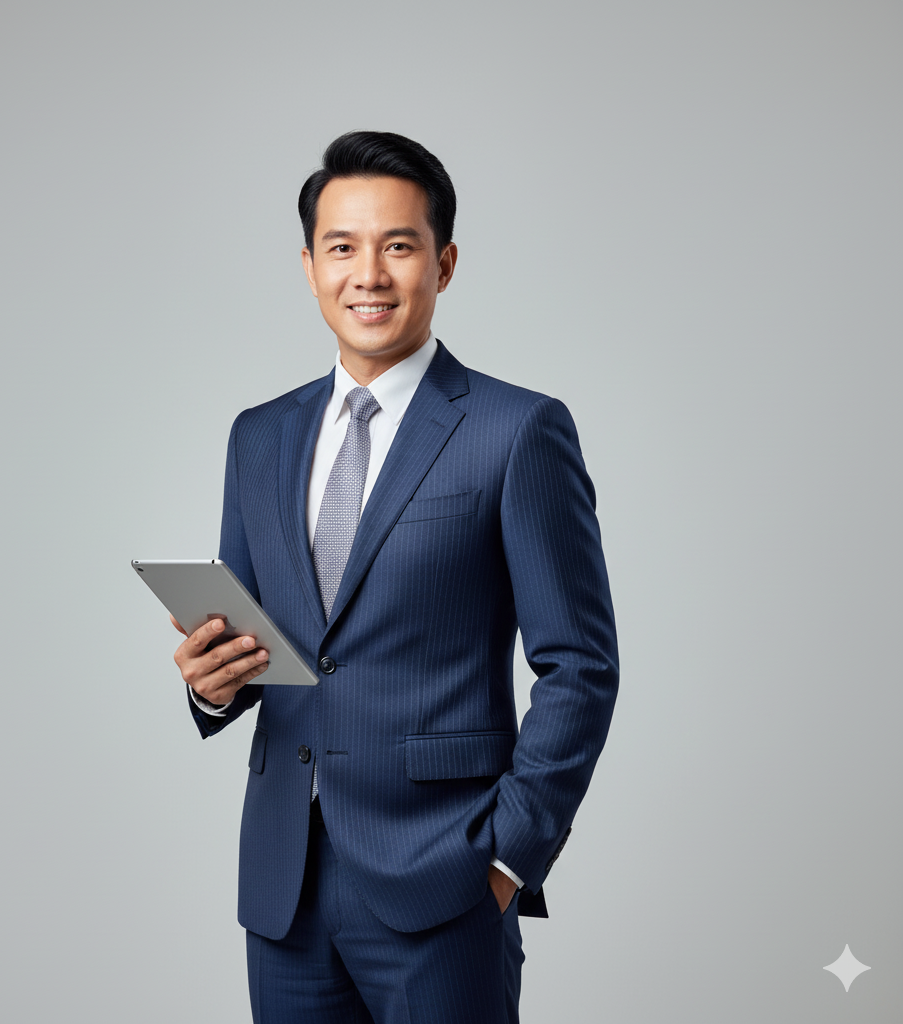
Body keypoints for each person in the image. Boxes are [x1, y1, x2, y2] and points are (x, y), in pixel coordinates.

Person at [171, 131, 619, 1024]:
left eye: (398, 245)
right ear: (308, 266)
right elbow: (259, 645)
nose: (367, 274)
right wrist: (212, 687)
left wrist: (505, 859)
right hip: (283, 884)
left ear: (443, 264)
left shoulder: (516, 431)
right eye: (342, 247)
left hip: (444, 880)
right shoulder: (258, 438)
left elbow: (580, 667)